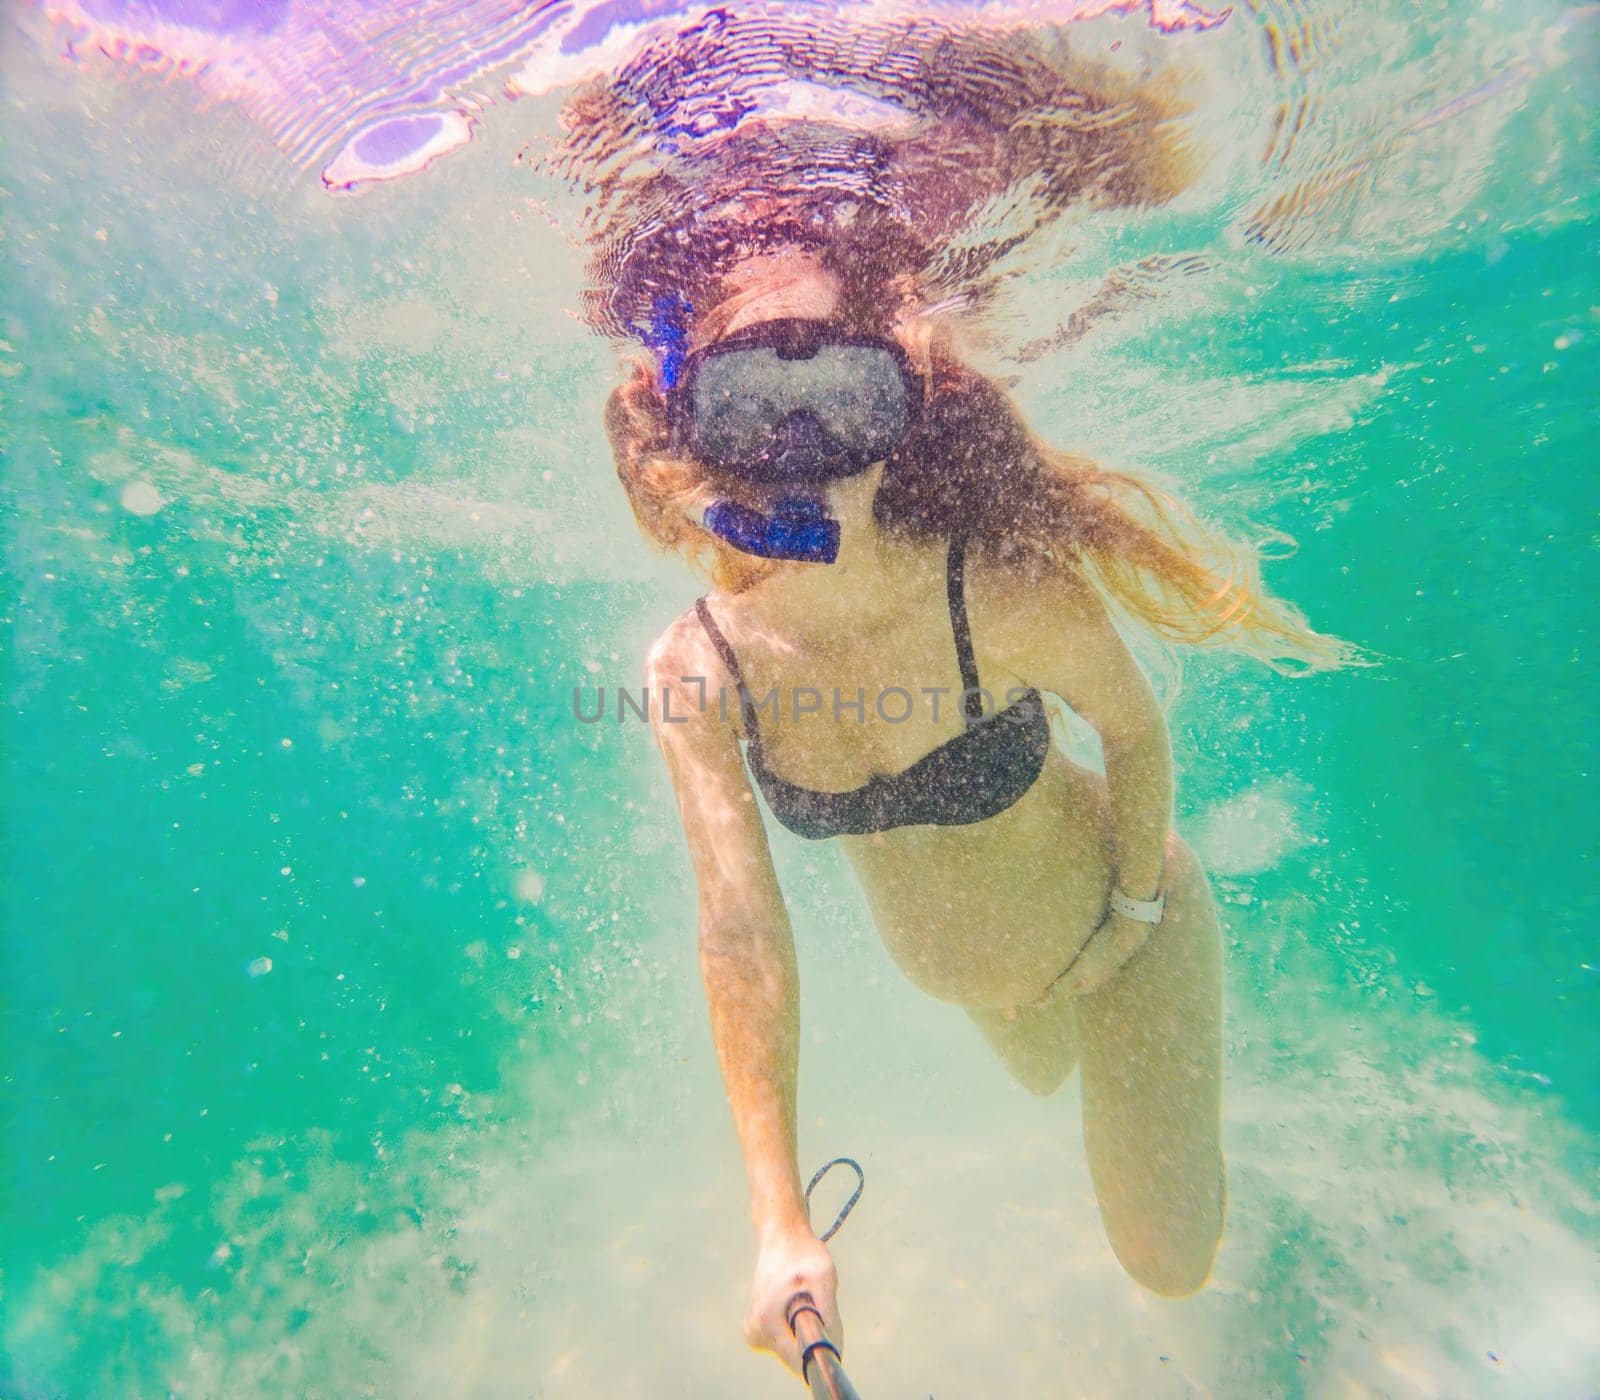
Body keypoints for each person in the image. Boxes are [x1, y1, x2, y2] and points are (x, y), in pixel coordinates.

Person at [603, 242, 1360, 1381]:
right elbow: (738, 930)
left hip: (1118, 937)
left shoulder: (992, 590)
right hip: (982, 987)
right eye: (755, 401)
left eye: (844, 398)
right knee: (1050, 1081)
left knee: (1169, 1256)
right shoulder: (697, 666)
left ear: (897, 412)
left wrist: (1138, 910)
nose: (803, 451)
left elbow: (1135, 728)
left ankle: (1269, 1203)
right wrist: (778, 1223)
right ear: (697, 428)